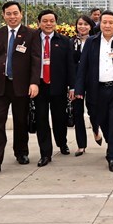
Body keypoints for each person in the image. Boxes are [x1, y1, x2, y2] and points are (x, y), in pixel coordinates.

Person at [0, 1, 41, 173]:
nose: (12, 17)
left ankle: (21, 152)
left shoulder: (31, 34)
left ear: (21, 14)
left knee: (21, 121)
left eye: (15, 13)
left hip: (21, 86)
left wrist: (34, 82)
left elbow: (36, 60)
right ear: (3, 15)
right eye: (8, 13)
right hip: (0, 85)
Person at [75, 11, 113, 172]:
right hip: (96, 90)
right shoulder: (92, 42)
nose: (107, 25)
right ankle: (111, 143)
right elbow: (83, 67)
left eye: (111, 23)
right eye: (104, 22)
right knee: (101, 120)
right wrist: (79, 88)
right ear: (99, 24)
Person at [33, 9, 76, 167]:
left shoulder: (64, 41)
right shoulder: (33, 39)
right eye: (45, 21)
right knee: (41, 120)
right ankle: (45, 153)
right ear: (39, 23)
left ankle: (62, 142)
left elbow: (70, 66)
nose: (48, 24)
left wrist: (72, 87)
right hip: (39, 87)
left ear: (56, 23)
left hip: (58, 86)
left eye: (51, 21)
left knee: (59, 118)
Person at [71, 15, 101, 155]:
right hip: (76, 83)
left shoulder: (96, 42)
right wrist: (71, 85)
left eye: (85, 24)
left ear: (91, 26)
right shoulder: (71, 43)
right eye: (80, 24)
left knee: (93, 110)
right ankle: (81, 145)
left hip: (93, 82)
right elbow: (68, 65)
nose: (82, 27)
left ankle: (96, 130)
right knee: (77, 113)